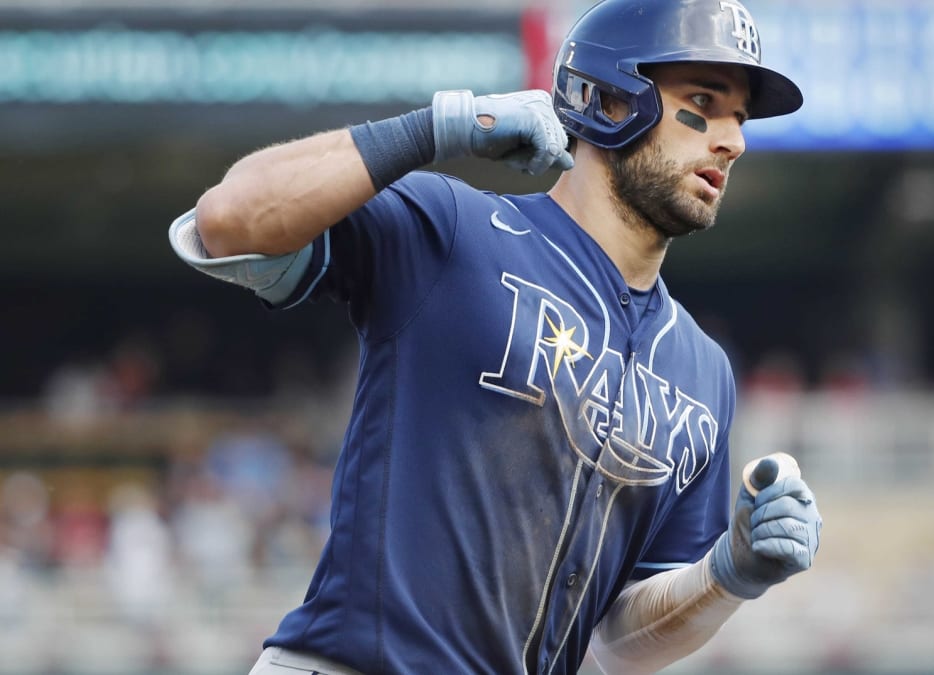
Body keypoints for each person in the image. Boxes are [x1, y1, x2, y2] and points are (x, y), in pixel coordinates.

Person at [168, 1, 822, 673]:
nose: (732, 141)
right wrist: (437, 128)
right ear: (610, 102)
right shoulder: (455, 231)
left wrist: (729, 570)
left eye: (739, 118)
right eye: (703, 103)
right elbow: (229, 220)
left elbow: (615, 641)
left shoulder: (703, 370)